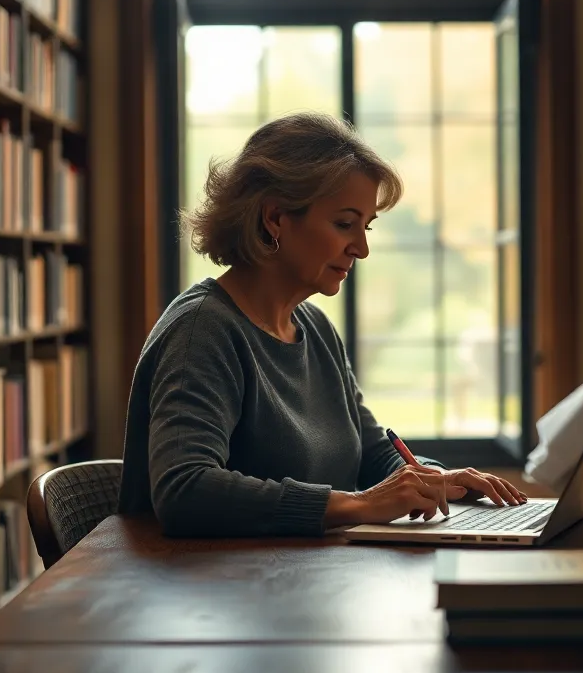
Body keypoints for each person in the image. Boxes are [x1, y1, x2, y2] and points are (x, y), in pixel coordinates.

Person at [118, 111, 526, 537]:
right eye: (344, 224)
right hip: (209, 595)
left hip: (291, 582)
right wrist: (359, 504)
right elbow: (185, 490)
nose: (362, 249)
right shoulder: (202, 331)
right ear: (274, 218)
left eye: (365, 227)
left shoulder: (314, 328)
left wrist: (432, 478)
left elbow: (371, 453)